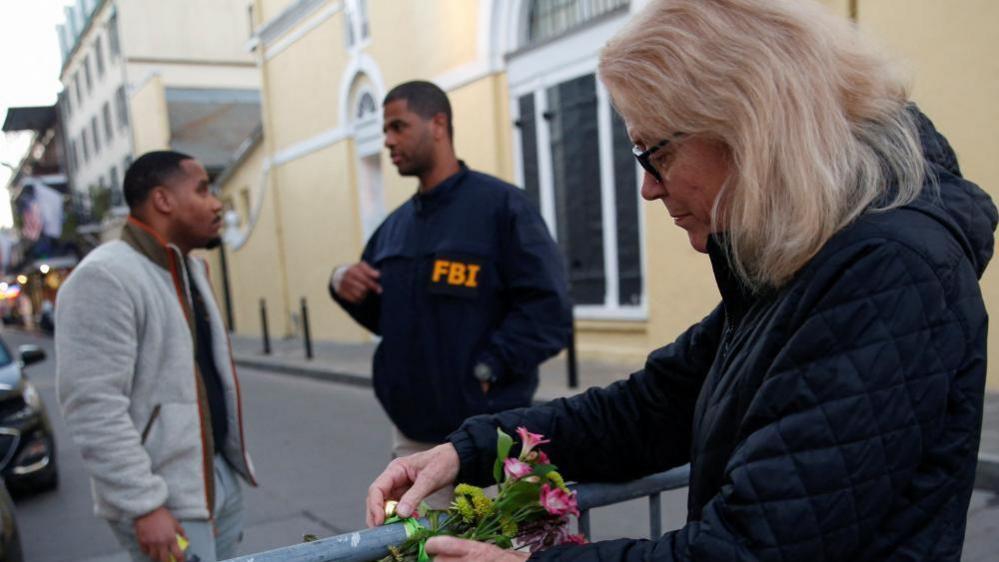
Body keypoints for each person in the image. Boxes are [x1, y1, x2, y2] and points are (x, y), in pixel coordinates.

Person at [363, 1, 998, 560]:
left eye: (655, 153)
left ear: (746, 126)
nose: (648, 187)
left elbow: (749, 548)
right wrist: (469, 449)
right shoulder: (807, 256)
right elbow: (650, 409)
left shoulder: (886, 271)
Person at [329, 80, 572, 501]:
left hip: (488, 443)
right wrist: (340, 283)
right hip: (412, 441)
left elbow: (548, 313)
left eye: (398, 127)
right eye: (386, 130)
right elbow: (383, 315)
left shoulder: (502, 208)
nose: (387, 141)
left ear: (438, 123)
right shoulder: (395, 227)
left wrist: (488, 368)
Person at [56, 151, 257, 562]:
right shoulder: (104, 276)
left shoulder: (188, 269)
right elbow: (93, 406)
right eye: (202, 189)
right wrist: (143, 504)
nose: (217, 202)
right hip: (164, 497)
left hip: (215, 479)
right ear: (163, 200)